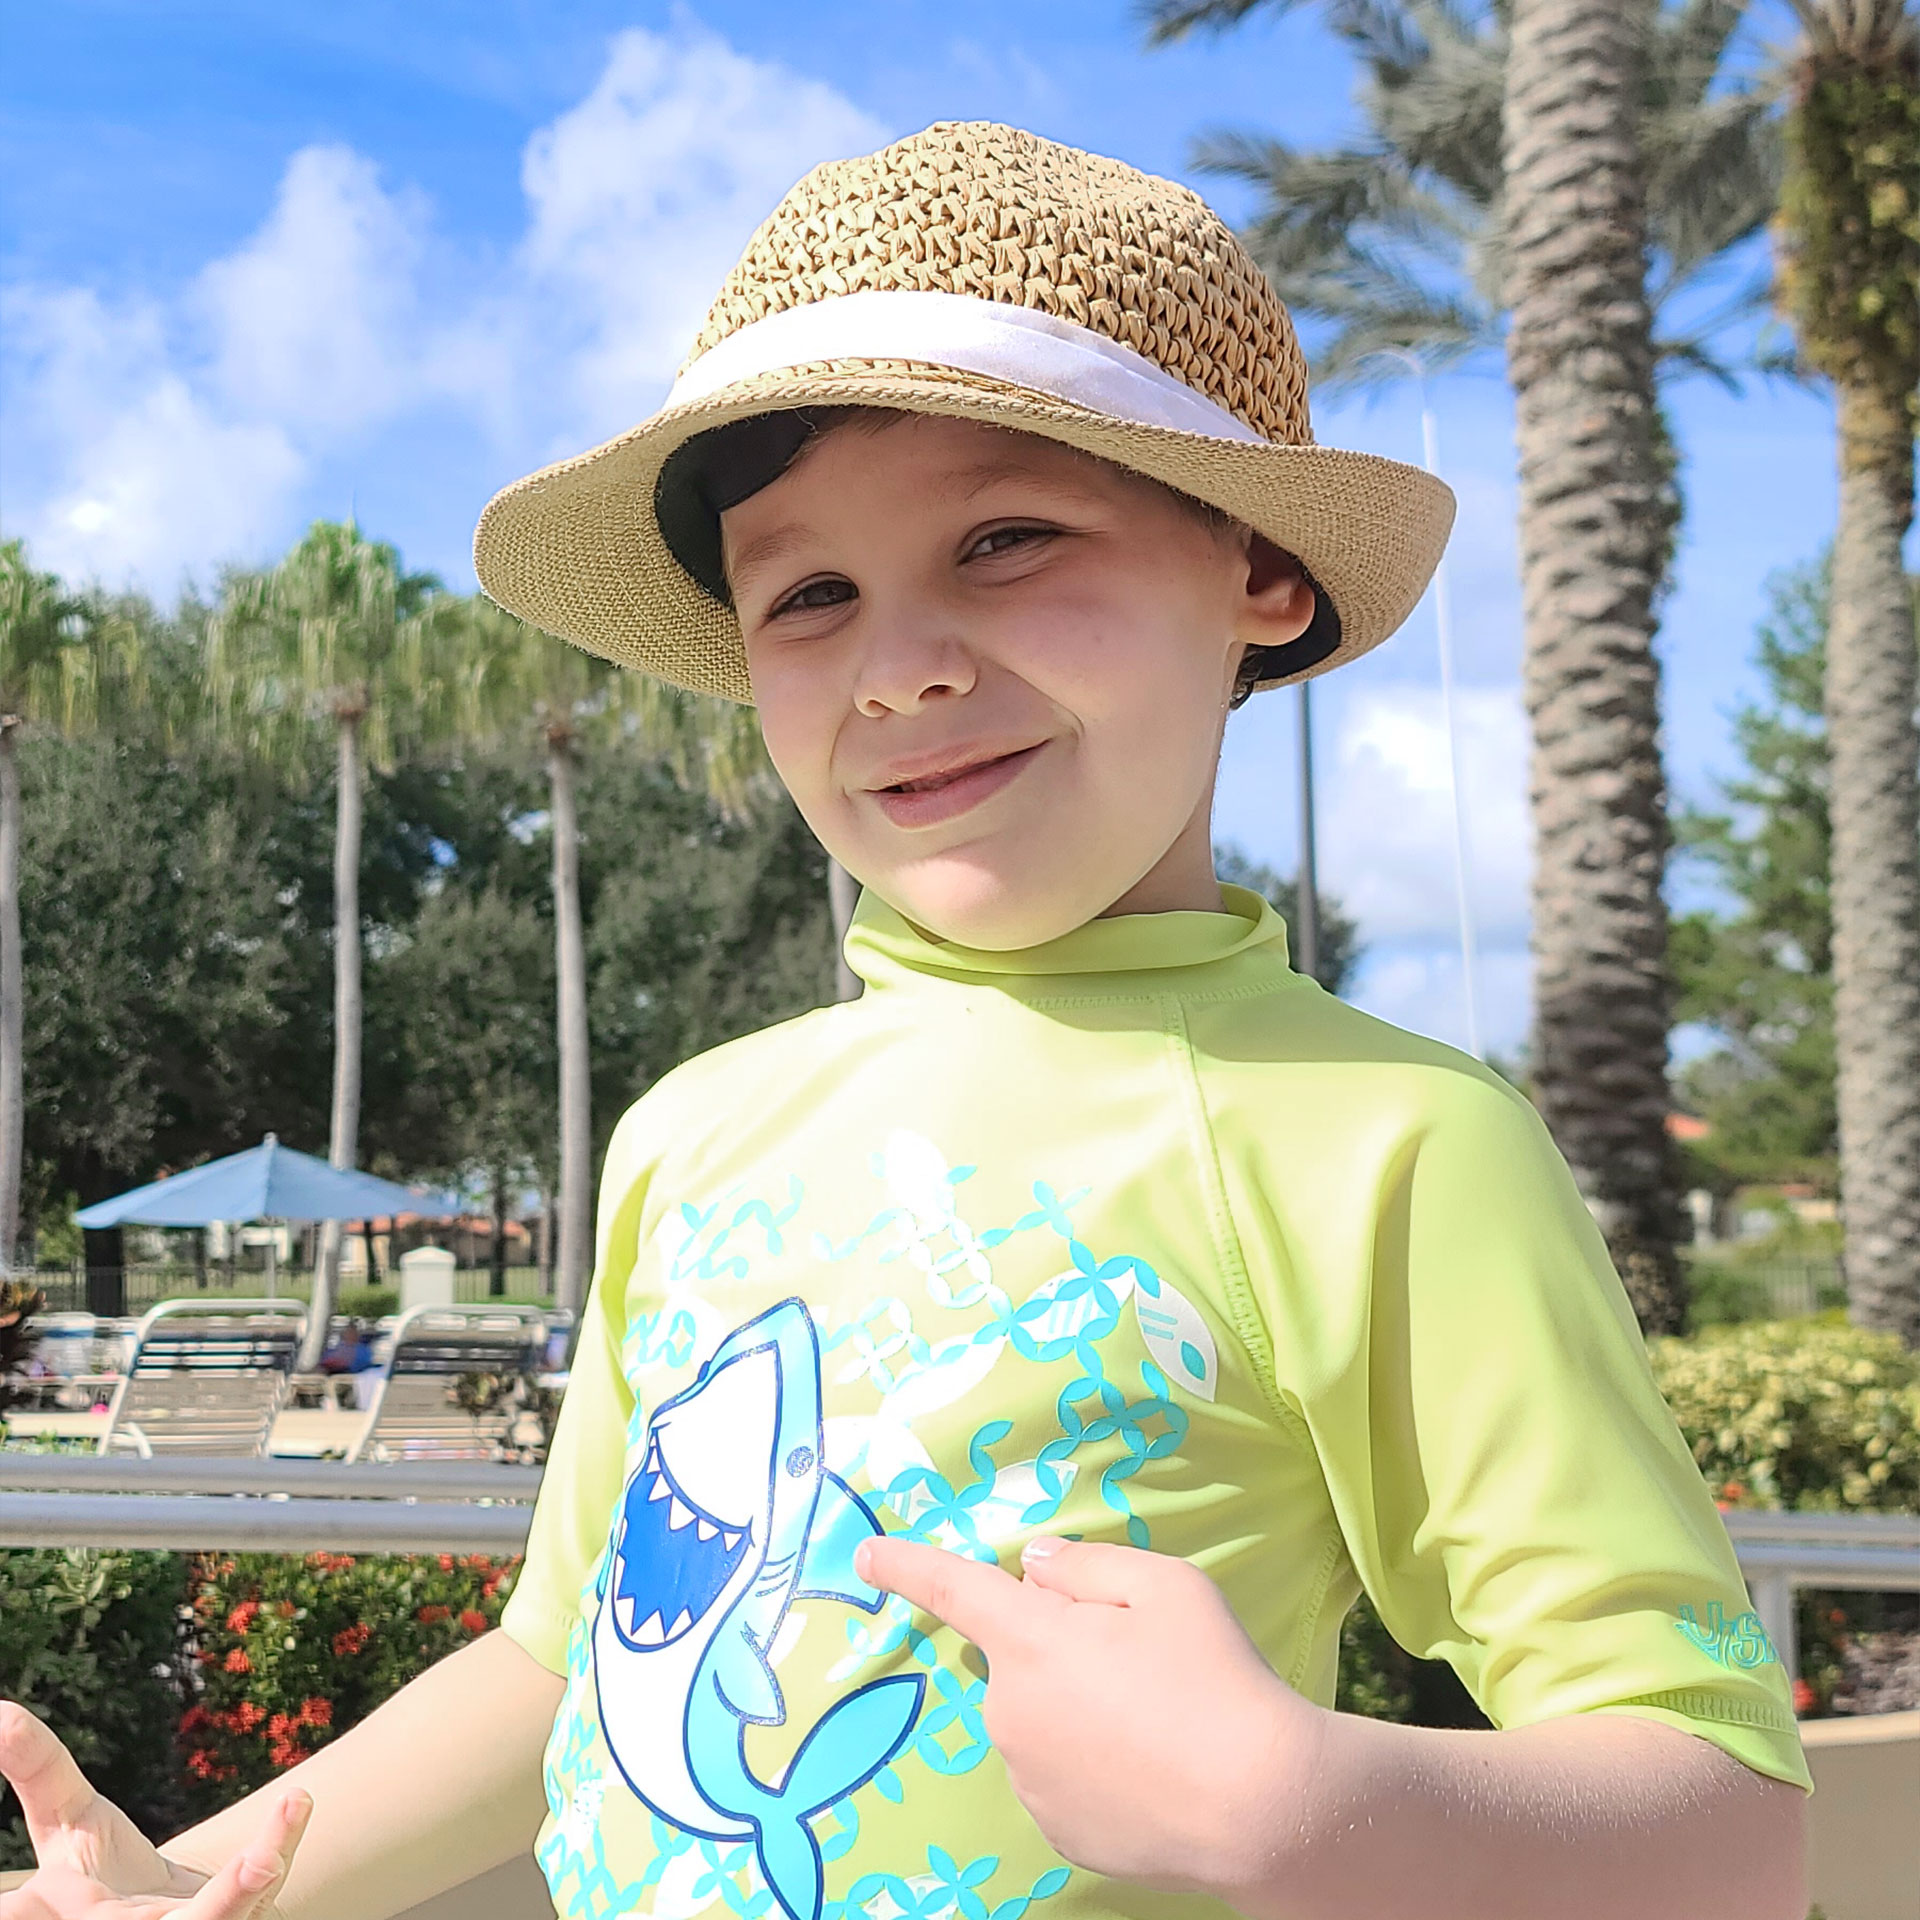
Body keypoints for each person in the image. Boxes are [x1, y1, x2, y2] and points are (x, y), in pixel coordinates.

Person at [0, 121, 1812, 1920]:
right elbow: (565, 1671)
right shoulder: (693, 1131)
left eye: (1009, 537)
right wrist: (188, 1882)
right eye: (809, 594)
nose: (902, 664)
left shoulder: (1384, 1142)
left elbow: (1727, 1828)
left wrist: (1299, 1803)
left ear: (1259, 568)